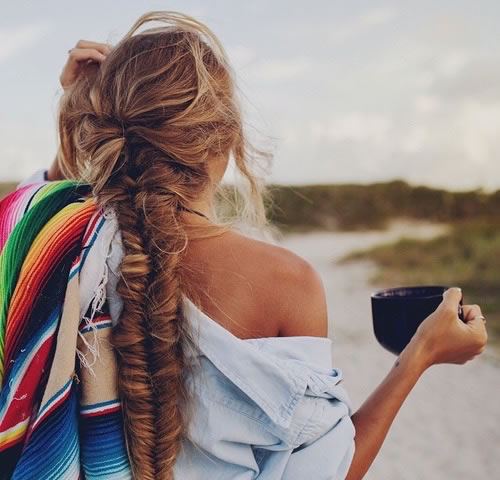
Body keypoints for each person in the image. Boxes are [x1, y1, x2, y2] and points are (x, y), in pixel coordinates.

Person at [1, 10, 487, 480]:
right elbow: (325, 472)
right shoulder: (284, 283)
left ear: (103, 130)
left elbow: (27, 215)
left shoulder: (51, 243)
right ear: (227, 136)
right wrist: (419, 354)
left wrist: (74, 112)